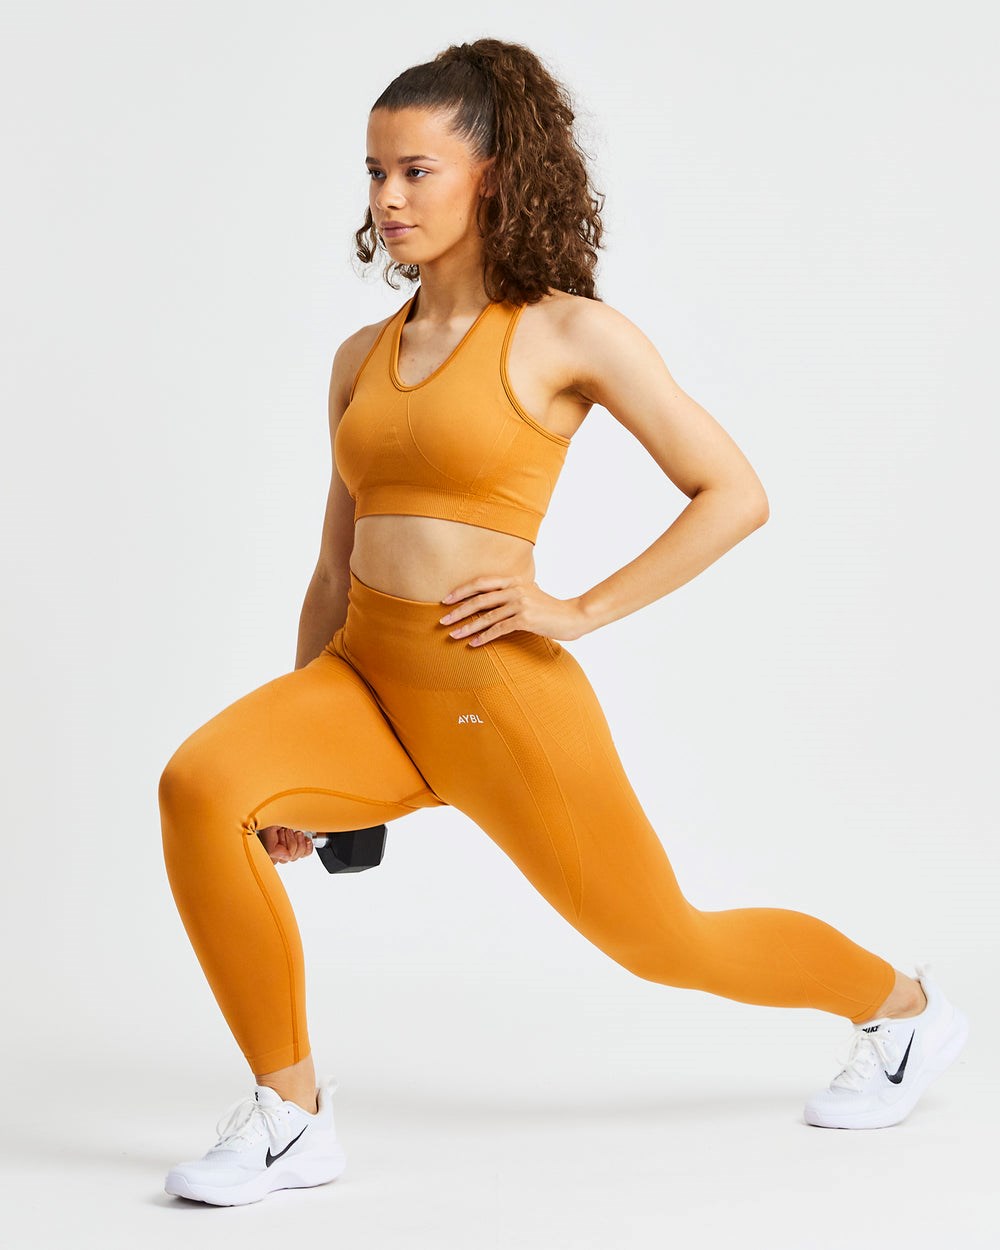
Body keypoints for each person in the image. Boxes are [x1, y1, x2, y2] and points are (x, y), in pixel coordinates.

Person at [159, 37, 969, 1207]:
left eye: (417, 171)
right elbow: (333, 562)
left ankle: (904, 1009)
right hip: (360, 677)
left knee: (663, 940)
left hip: (493, 692)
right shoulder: (358, 358)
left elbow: (733, 493)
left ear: (490, 174)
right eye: (375, 171)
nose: (388, 197)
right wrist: (292, 757)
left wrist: (578, 608)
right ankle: (290, 1117)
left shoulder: (565, 334)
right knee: (200, 784)